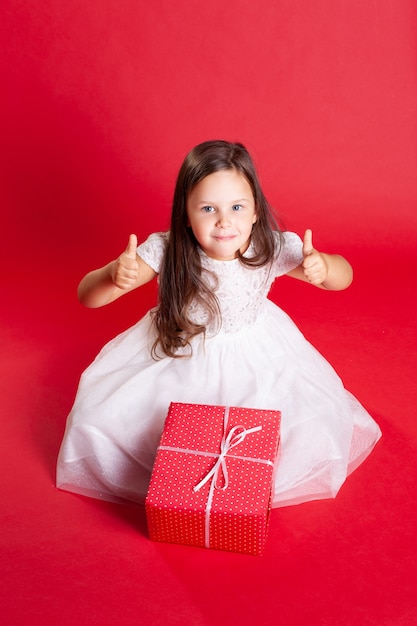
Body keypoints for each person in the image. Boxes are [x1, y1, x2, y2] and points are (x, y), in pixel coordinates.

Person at [56, 140, 381, 507]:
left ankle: (240, 478)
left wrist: (323, 265)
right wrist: (114, 276)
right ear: (186, 214)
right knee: (124, 423)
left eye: (237, 207)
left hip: (257, 355)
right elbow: (88, 296)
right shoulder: (166, 249)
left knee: (285, 429)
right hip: (180, 352)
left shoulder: (269, 248)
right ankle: (177, 473)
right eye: (208, 208)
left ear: (256, 211)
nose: (224, 221)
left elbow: (345, 277)